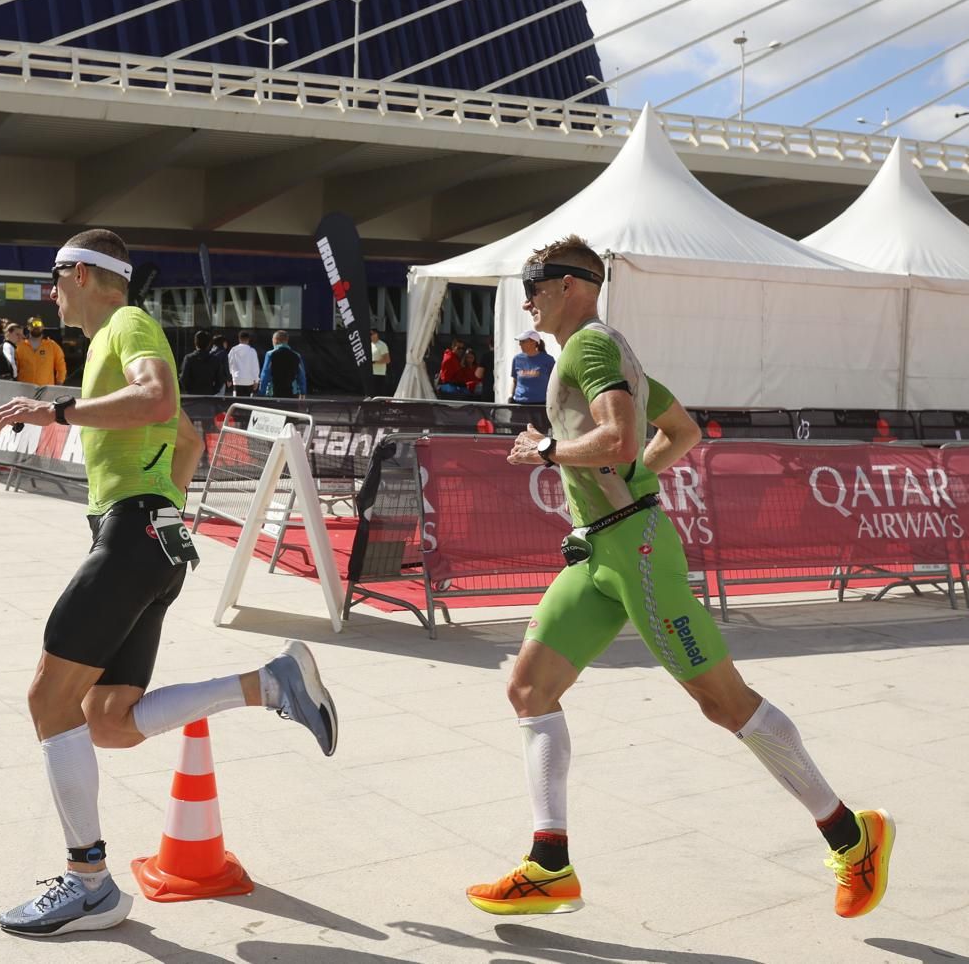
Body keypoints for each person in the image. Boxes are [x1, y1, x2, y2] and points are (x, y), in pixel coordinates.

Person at [465, 235, 893, 921]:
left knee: (724, 703)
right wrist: (627, 490)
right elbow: (683, 431)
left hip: (634, 553)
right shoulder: (608, 350)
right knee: (528, 686)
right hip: (600, 551)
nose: (527, 298)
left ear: (574, 284)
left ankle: (852, 835)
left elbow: (620, 440)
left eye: (536, 282)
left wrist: (549, 451)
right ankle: (550, 867)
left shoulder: (590, 347)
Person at [0, 228, 338, 938]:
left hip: (134, 534)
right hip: (149, 536)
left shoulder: (127, 324)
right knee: (108, 720)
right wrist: (169, 523)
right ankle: (270, 683)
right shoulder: (110, 340)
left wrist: (55, 412)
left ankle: (89, 884)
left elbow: (154, 402)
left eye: (56, 276)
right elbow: (186, 439)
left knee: (47, 699)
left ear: (85, 273)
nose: (51, 291)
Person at [16, 317, 68, 386]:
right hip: (24, 389)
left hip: (45, 390)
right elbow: (15, 367)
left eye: (39, 324)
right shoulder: (20, 346)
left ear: (43, 327)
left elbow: (61, 366)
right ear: (28, 327)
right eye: (33, 324)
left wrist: (59, 383)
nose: (36, 326)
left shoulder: (52, 346)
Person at [511, 328, 555, 404]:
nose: (520, 344)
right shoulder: (517, 359)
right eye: (520, 342)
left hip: (540, 405)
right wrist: (511, 396)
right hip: (519, 403)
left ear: (534, 342)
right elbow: (515, 381)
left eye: (523, 341)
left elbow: (554, 383)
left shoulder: (548, 360)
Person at [259, 330, 306, 399]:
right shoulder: (297, 355)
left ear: (276, 340)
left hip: (273, 393)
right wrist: (303, 392)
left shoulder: (270, 354)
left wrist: (261, 393)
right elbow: (301, 376)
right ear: (287, 340)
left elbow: (265, 374)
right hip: (292, 393)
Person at [178, 330, 225, 396]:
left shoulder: (189, 358)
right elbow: (220, 379)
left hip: (193, 396)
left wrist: (189, 390)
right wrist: (213, 391)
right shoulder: (215, 360)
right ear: (209, 344)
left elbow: (183, 378)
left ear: (195, 342)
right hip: (209, 394)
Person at [226, 330, 260, 397]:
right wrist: (256, 381)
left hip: (237, 379)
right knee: (248, 402)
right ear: (248, 339)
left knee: (237, 401)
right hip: (249, 380)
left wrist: (229, 377)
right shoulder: (252, 351)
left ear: (239, 339)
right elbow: (255, 367)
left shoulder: (233, 350)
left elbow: (229, 364)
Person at [369, 327, 391, 391]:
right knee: (371, 392)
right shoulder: (369, 345)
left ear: (376, 334)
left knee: (378, 392)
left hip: (379, 373)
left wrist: (374, 362)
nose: (370, 336)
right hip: (370, 373)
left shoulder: (382, 345)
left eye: (371, 334)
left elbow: (387, 360)